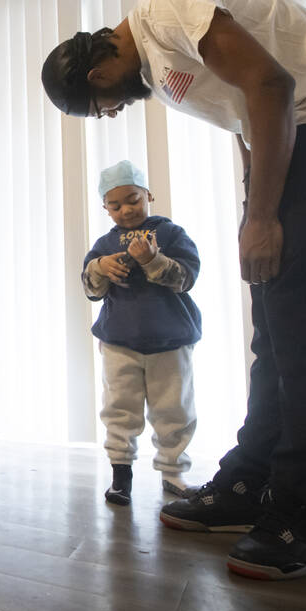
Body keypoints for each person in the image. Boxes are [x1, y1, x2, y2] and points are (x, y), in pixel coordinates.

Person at [42, 0, 306, 581]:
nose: (115, 110)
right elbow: (245, 115)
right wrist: (252, 203)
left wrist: (263, 216)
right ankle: (254, 477)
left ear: (96, 74)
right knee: (275, 328)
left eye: (105, 106)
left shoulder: (163, 4)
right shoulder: (158, 63)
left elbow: (270, 83)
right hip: (295, 140)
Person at [84, 160, 201, 507]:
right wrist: (100, 267)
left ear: (148, 194)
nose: (126, 210)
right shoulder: (105, 243)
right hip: (120, 341)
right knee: (119, 408)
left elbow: (187, 277)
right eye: (115, 205)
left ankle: (173, 472)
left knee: (174, 409)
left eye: (133, 199)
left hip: (170, 340)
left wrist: (153, 260)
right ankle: (121, 475)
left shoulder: (170, 234)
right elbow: (90, 288)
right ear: (105, 208)